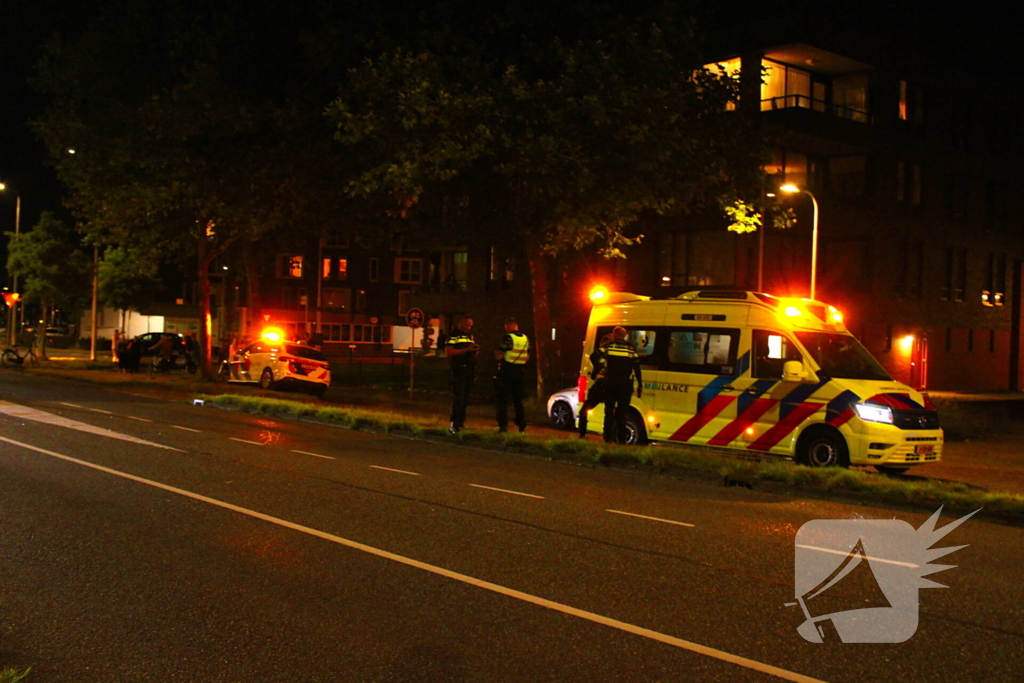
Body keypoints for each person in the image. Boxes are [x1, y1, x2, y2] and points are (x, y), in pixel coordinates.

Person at [599, 326, 643, 443]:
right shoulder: (631, 349)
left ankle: (607, 438)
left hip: (611, 384)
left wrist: (601, 368)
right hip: (625, 386)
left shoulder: (609, 347)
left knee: (608, 412)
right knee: (622, 414)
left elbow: (595, 356)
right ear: (624, 336)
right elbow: (637, 368)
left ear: (614, 335)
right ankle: (622, 439)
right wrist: (640, 385)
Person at [493, 317, 529, 433]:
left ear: (507, 326)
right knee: (518, 401)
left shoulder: (508, 338)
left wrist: (496, 354)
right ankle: (521, 425)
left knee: (502, 400)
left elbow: (500, 356)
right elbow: (528, 356)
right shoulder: (525, 338)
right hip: (520, 372)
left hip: (507, 371)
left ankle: (503, 426)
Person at [445, 315, 479, 434]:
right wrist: (467, 350)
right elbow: (449, 352)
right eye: (466, 325)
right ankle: (454, 424)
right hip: (458, 369)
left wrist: (474, 350)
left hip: (469, 370)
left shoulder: (469, 336)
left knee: (464, 398)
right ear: (460, 323)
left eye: (470, 326)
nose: (468, 328)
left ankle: (461, 423)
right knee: (458, 397)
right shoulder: (453, 335)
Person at [578, 334, 612, 439]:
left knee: (584, 410)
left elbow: (593, 375)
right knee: (609, 412)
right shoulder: (614, 355)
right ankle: (608, 437)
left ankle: (582, 434)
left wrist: (599, 368)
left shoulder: (599, 355)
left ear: (602, 344)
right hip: (611, 386)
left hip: (600, 386)